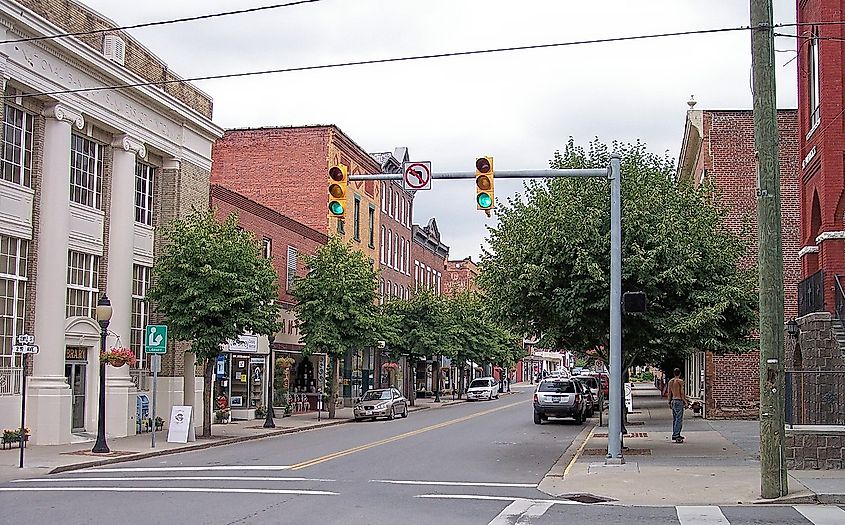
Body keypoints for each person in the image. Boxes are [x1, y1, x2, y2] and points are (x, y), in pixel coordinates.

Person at [667, 368, 687, 442]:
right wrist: (685, 401)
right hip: (679, 400)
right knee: (679, 419)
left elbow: (669, 393)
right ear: (680, 373)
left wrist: (669, 401)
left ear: (674, 373)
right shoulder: (680, 381)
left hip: (673, 400)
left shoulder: (670, 381)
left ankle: (675, 433)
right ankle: (676, 434)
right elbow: (681, 392)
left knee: (675, 418)